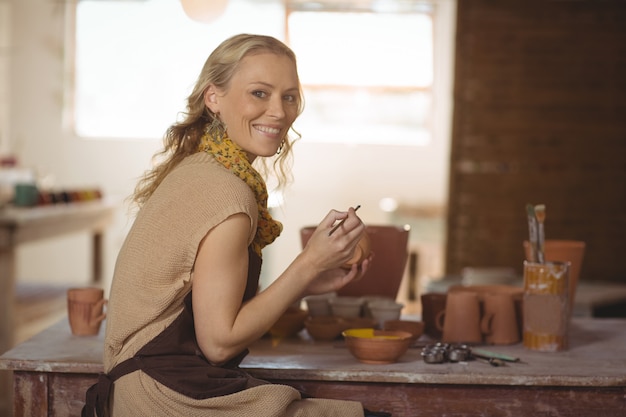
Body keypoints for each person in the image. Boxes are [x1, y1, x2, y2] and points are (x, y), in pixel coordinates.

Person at [82, 34, 389, 417]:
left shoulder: (204, 168)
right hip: (165, 397)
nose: (278, 111)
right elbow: (219, 343)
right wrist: (308, 263)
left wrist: (305, 284)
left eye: (289, 96)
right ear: (214, 98)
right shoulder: (227, 194)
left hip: (156, 386)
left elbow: (209, 311)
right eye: (260, 93)